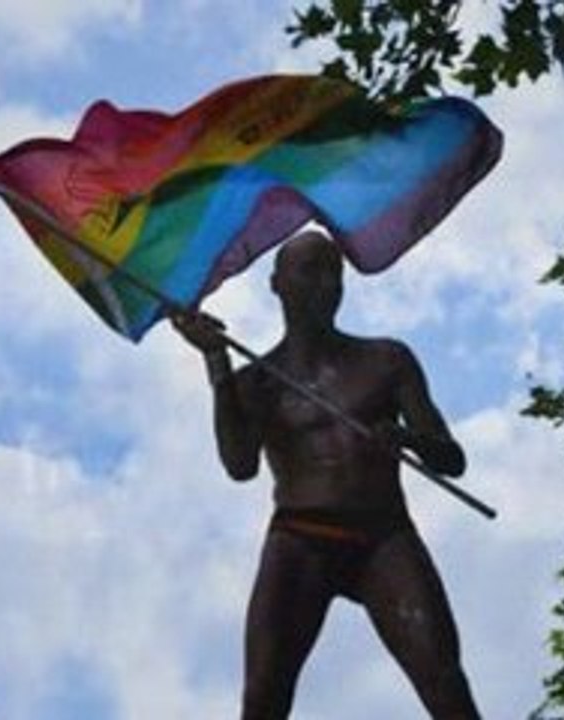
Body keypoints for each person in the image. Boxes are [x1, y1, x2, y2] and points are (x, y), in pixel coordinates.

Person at [172, 229, 482, 719]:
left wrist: (407, 440)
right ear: (277, 285)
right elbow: (239, 466)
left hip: (383, 536)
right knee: (263, 696)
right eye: (310, 272)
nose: (324, 285)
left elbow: (451, 460)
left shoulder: (386, 360)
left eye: (333, 275)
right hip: (301, 537)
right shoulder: (258, 381)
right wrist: (217, 361)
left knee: (444, 680)